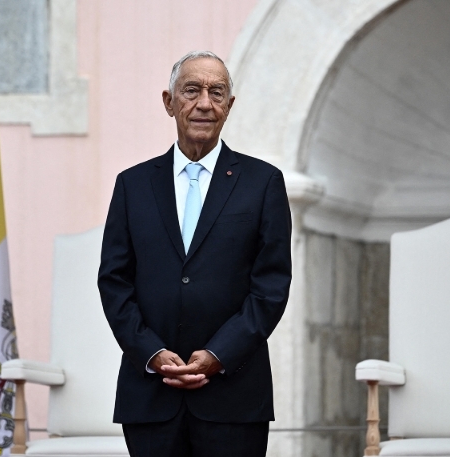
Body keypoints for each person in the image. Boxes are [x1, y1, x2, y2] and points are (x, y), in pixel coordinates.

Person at [98, 50, 292, 457]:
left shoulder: (263, 183)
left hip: (234, 395)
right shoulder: (132, 185)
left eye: (216, 92)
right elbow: (114, 282)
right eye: (192, 90)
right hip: (151, 394)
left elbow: (271, 286)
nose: (205, 102)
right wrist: (151, 353)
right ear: (169, 102)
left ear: (229, 106)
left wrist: (219, 355)